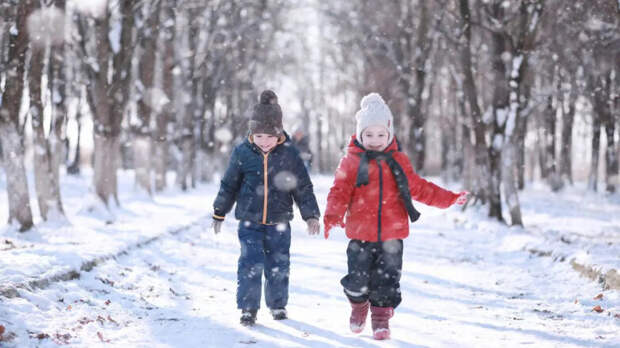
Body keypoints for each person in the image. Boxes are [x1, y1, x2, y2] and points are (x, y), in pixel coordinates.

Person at [323, 93, 467, 340]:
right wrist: (332, 215)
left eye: (381, 134)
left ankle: (380, 320)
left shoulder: (398, 160)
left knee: (386, 281)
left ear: (389, 133)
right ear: (359, 134)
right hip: (359, 235)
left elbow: (420, 187)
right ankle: (358, 306)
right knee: (356, 279)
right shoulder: (351, 161)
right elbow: (339, 191)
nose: (375, 140)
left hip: (392, 235)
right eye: (368, 135)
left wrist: (449, 198)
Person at [212, 90, 321, 327]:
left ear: (279, 133)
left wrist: (311, 214)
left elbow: (302, 186)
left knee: (279, 264)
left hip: (280, 222)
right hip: (249, 222)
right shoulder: (242, 152)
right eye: (259, 135)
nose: (264, 141)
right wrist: (219, 211)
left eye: (269, 136)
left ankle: (278, 304)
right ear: (252, 132)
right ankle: (248, 308)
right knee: (250, 264)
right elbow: (229, 184)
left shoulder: (290, 154)